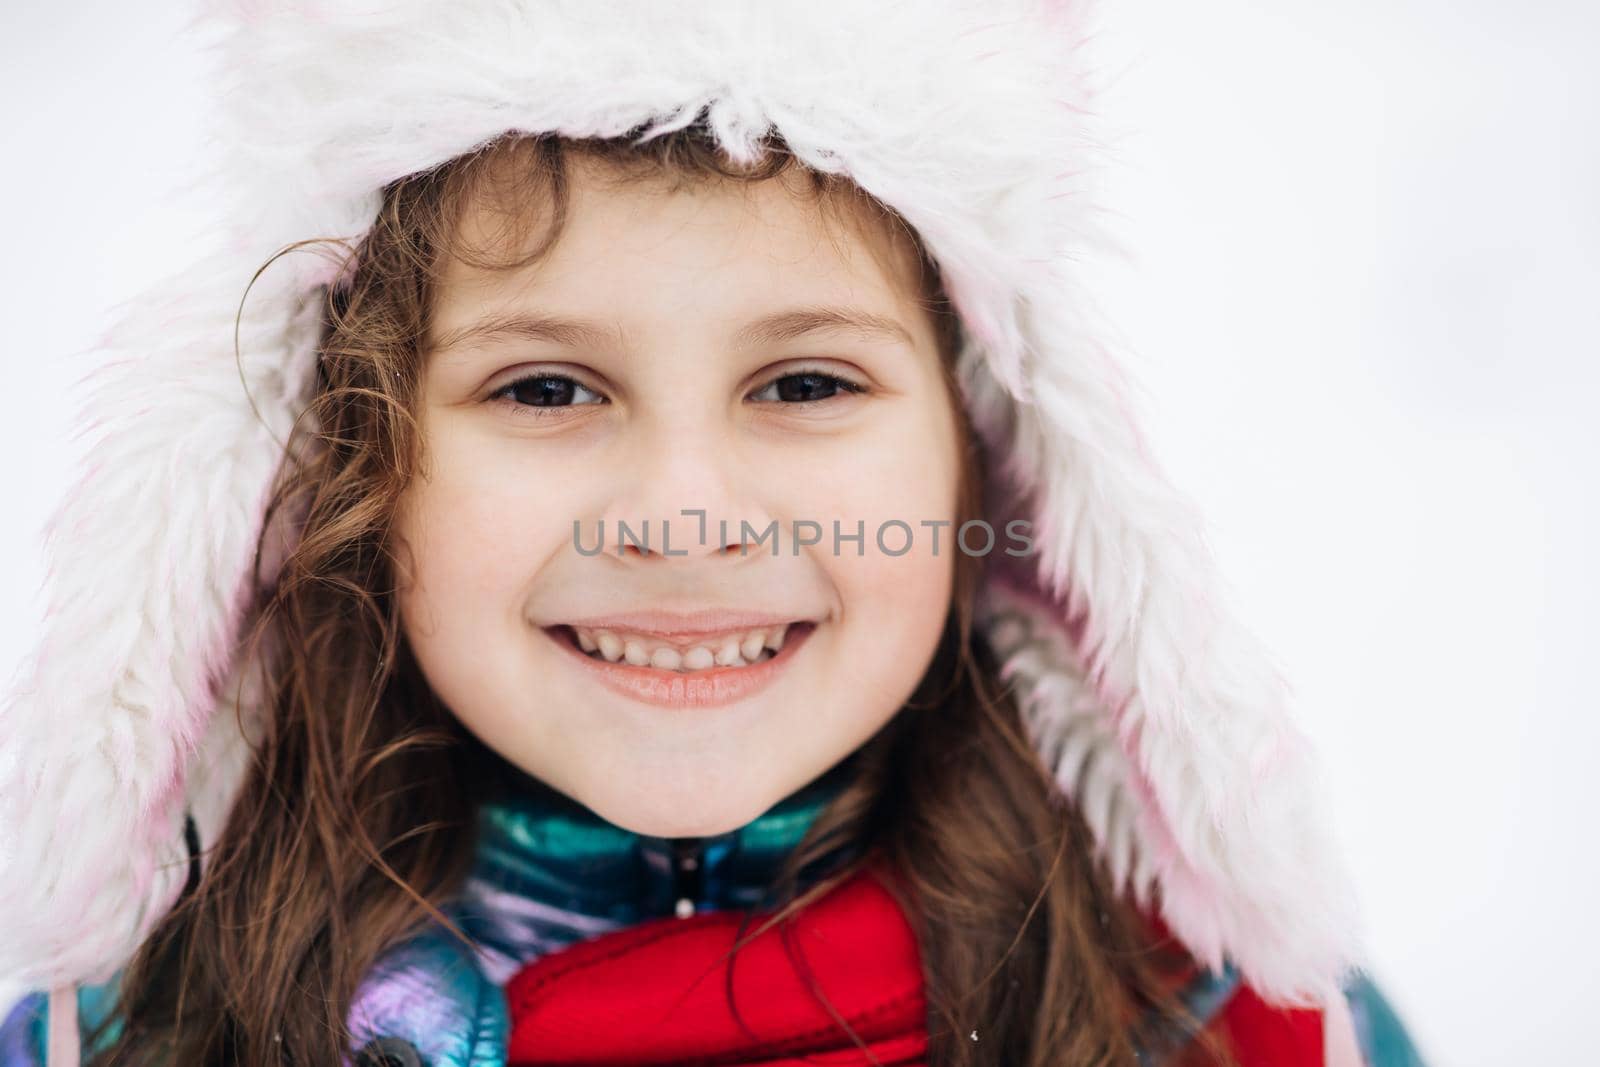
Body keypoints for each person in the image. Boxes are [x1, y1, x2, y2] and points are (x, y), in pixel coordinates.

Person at [0, 2, 1429, 1064]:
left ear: (984, 470)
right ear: (351, 465)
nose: (685, 518)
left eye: (805, 384)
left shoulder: (1212, 1014)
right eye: (547, 387)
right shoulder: (138, 1020)